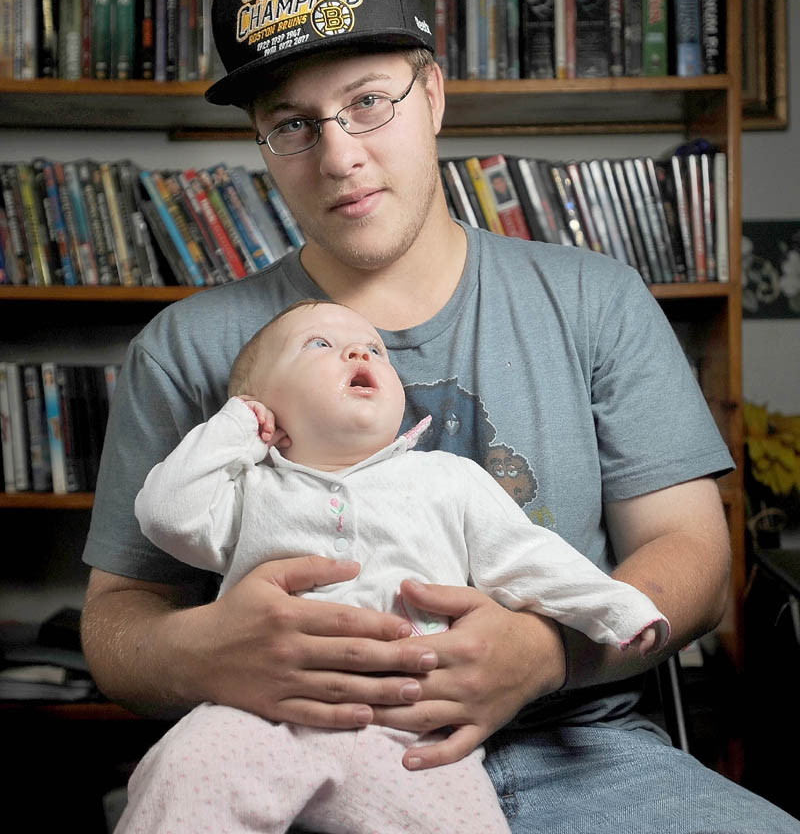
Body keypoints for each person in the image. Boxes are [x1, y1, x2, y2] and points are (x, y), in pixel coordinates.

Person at [80, 0, 800, 832]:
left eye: (369, 102)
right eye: (293, 125)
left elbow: (693, 556)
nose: (338, 157)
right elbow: (118, 623)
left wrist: (542, 652)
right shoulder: (186, 347)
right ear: (262, 141)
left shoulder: (594, 301)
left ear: (434, 96)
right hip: (291, 757)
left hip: (578, 747)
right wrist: (202, 653)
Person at [115, 298, 668, 832]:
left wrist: (615, 608)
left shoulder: (447, 479)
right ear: (265, 407)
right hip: (262, 717)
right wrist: (236, 428)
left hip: (413, 736)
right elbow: (166, 515)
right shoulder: (249, 490)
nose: (359, 356)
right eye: (322, 344)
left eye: (374, 350)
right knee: (182, 771)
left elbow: (528, 557)